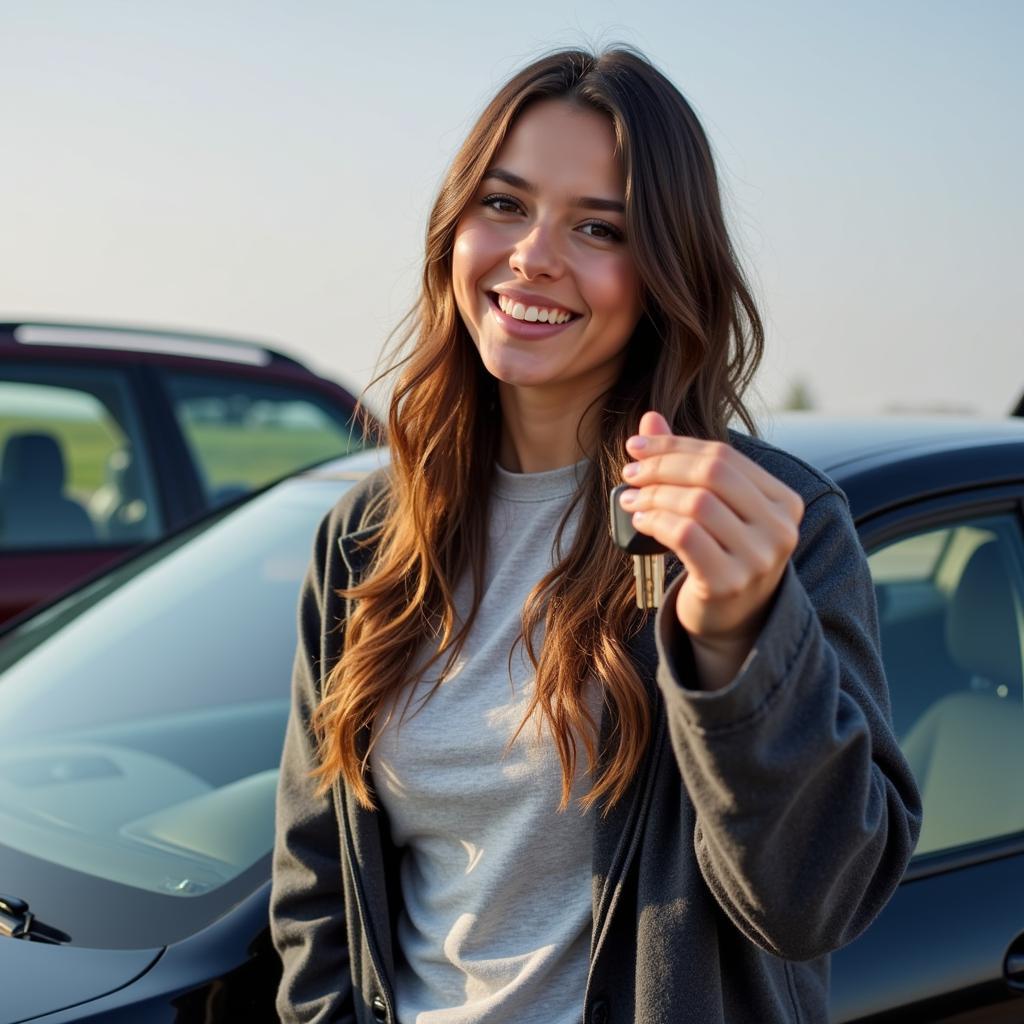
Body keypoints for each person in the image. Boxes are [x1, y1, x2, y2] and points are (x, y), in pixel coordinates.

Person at [270, 47, 921, 1024]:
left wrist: (739, 638)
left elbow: (812, 902)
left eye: (598, 228)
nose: (534, 253)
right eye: (504, 204)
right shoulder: (365, 536)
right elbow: (315, 882)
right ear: (454, 226)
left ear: (663, 273)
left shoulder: (761, 524)